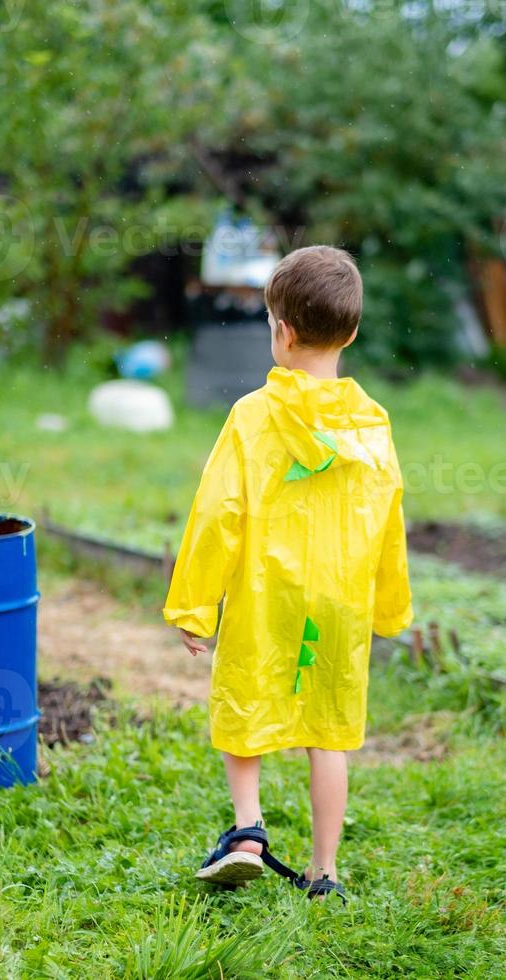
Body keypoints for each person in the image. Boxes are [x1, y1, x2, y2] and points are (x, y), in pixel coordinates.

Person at [162, 245, 413, 902]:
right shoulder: (373, 426)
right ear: (352, 332)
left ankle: (248, 830)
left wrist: (194, 606)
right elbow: (388, 518)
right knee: (328, 732)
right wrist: (389, 606)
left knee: (243, 702)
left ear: (281, 331)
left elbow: (219, 512)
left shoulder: (252, 417)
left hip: (264, 592)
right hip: (339, 600)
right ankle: (325, 872)